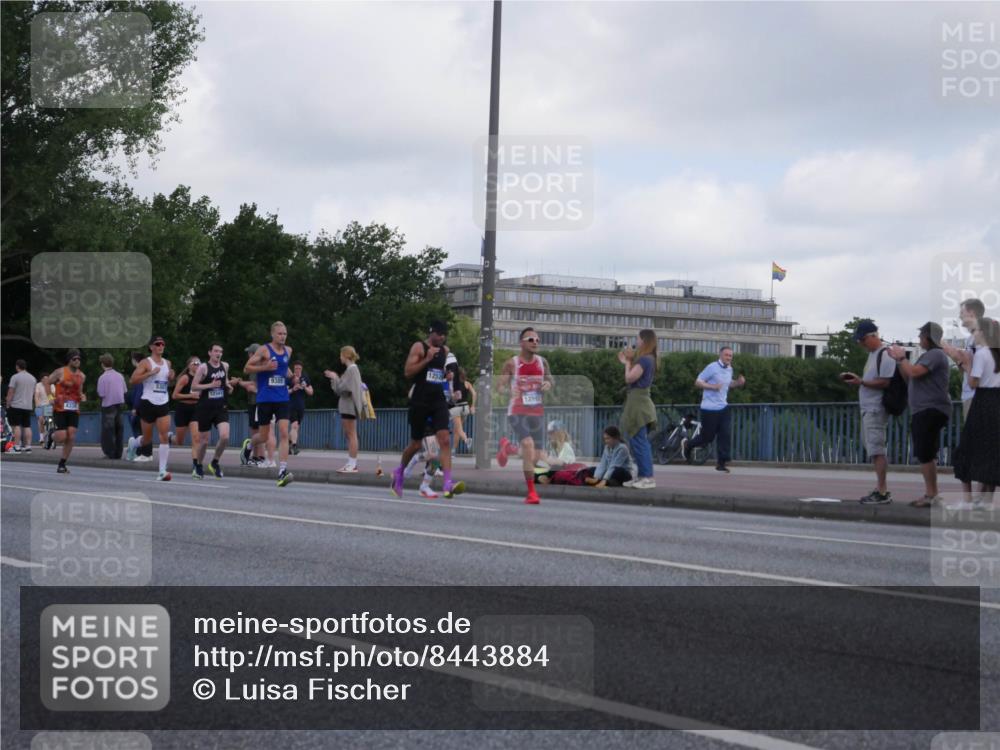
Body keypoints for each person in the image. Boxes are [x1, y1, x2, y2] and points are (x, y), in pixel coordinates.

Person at [390, 320, 465, 499]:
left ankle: (448, 483)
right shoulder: (419, 347)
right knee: (415, 444)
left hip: (437, 401)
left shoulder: (444, 350)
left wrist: (445, 376)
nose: (442, 338)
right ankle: (400, 472)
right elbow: (408, 372)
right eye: (440, 335)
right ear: (432, 333)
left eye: (444, 335)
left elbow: (435, 373)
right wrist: (427, 359)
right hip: (420, 401)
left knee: (445, 440)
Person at [887, 323, 951, 507]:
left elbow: (914, 372)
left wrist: (902, 357)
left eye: (921, 336)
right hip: (924, 409)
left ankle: (931, 495)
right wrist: (899, 361)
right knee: (926, 452)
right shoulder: (928, 355)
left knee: (925, 452)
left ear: (928, 337)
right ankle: (932, 494)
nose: (919, 339)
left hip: (930, 408)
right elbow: (909, 377)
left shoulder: (935, 354)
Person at [840, 319, 896, 504]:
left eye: (862, 339)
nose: (861, 343)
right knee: (873, 449)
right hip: (868, 408)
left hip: (875, 408)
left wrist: (861, 382)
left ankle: (883, 491)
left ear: (873, 336)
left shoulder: (885, 354)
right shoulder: (873, 355)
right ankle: (880, 488)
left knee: (877, 450)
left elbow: (885, 382)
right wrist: (858, 380)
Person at [496, 326, 554, 505]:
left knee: (537, 456)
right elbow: (500, 386)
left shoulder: (542, 362)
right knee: (528, 445)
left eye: (537, 340)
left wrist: (548, 384)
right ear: (521, 343)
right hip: (517, 411)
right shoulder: (512, 363)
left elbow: (550, 379)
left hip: (536, 412)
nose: (535, 343)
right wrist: (508, 391)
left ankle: (509, 448)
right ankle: (531, 493)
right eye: (531, 340)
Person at [951, 317, 1000, 508]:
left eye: (976, 331)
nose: (974, 334)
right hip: (997, 401)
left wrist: (965, 364)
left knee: (967, 449)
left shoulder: (982, 354)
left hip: (983, 401)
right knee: (991, 450)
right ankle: (986, 500)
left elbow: (973, 382)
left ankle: (968, 500)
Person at [943, 298, 985, 503]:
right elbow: (968, 366)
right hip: (972, 395)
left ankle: (976, 499)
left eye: (962, 312)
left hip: (977, 396)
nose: (959, 316)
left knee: (973, 447)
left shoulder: (981, 337)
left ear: (972, 313)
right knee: (978, 446)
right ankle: (979, 498)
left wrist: (946, 347)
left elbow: (978, 369)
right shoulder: (973, 338)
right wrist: (961, 361)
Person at [242, 321, 294, 487]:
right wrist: (265, 367)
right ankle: (249, 445)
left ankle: (282, 471)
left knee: (284, 432)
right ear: (272, 334)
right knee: (264, 437)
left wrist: (292, 376)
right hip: (265, 398)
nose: (282, 336)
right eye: (279, 334)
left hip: (282, 398)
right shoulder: (264, 350)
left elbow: (283, 368)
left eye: (284, 334)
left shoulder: (288, 351)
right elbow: (246, 368)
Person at [684, 345, 746, 474]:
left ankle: (721, 463)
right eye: (726, 355)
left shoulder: (730, 369)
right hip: (709, 409)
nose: (729, 357)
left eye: (730, 356)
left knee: (725, 434)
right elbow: (698, 382)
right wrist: (712, 387)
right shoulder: (712, 367)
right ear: (720, 355)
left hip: (723, 407)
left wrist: (738, 383)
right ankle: (688, 445)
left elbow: (728, 384)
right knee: (707, 438)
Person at [126, 335, 174, 481]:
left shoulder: (168, 363)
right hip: (148, 402)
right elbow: (133, 380)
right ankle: (133, 443)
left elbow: (168, 383)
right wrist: (150, 373)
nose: (161, 346)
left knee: (164, 437)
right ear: (151, 347)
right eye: (158, 344)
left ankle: (162, 471)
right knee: (147, 440)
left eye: (163, 344)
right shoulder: (146, 362)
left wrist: (171, 377)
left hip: (163, 402)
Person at [191, 343, 238, 479]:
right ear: (210, 353)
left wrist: (229, 386)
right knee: (204, 441)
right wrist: (210, 385)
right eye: (216, 351)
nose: (218, 354)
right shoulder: (203, 367)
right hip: (205, 408)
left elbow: (225, 381)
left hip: (220, 407)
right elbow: (194, 386)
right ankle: (199, 465)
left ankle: (215, 462)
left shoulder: (225, 366)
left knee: (225, 436)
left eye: (220, 352)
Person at [619, 329, 658, 489]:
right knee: (637, 442)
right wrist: (629, 361)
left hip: (638, 404)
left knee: (639, 442)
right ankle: (642, 476)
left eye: (638, 339)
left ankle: (647, 477)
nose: (637, 342)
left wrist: (628, 362)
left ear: (644, 340)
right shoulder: (650, 359)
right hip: (641, 402)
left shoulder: (645, 359)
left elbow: (629, 378)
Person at [44, 350, 86, 473]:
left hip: (74, 408)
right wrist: (50, 397)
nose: (77, 361)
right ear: (69, 360)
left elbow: (80, 391)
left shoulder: (82, 376)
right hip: (60, 407)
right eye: (74, 359)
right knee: (62, 436)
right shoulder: (60, 372)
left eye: (79, 359)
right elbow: (47, 382)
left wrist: (82, 396)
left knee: (71, 436)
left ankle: (62, 464)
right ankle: (51, 435)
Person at [324, 346, 364, 473]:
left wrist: (335, 377)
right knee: (350, 434)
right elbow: (343, 388)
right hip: (349, 406)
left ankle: (352, 464)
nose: (340, 357)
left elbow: (343, 389)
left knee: (351, 435)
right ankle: (351, 463)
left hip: (349, 406)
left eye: (341, 355)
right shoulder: (352, 370)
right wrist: (336, 378)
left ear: (346, 355)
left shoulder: (351, 369)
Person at [96, 353, 127, 459]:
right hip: (120, 404)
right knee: (119, 429)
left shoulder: (102, 378)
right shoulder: (120, 376)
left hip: (108, 405)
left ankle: (110, 453)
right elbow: (124, 390)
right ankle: (118, 453)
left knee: (108, 430)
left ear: (102, 364)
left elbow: (101, 394)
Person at [171, 356, 202, 458]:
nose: (197, 365)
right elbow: (174, 395)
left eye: (199, 363)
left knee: (196, 438)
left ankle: (196, 463)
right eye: (195, 363)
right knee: (179, 441)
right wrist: (190, 396)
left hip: (196, 409)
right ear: (189, 366)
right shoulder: (185, 378)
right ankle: (170, 438)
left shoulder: (202, 379)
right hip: (183, 409)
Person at [5, 360, 37, 453]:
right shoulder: (33, 378)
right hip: (28, 406)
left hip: (16, 405)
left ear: (17, 366)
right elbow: (33, 392)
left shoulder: (15, 377)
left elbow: (11, 391)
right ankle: (28, 447)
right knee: (27, 426)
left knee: (16, 426)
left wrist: (8, 403)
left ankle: (16, 446)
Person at [288, 361, 313, 455]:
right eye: (296, 369)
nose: (297, 370)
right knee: (294, 425)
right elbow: (283, 392)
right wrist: (293, 389)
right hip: (290, 405)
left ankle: (288, 444)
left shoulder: (305, 378)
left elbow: (311, 392)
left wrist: (305, 387)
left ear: (301, 369)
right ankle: (294, 446)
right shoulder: (289, 378)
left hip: (301, 406)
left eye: (299, 368)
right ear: (293, 369)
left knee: (295, 428)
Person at [450, 366, 476, 451]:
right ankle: (453, 450)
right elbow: (474, 394)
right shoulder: (467, 383)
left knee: (459, 429)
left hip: (456, 408)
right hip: (466, 408)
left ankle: (466, 440)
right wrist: (473, 406)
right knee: (457, 430)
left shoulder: (453, 384)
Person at [124, 352, 145, 453]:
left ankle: (138, 451)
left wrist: (135, 408)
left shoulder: (138, 373)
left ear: (134, 360)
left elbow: (138, 392)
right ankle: (143, 451)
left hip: (139, 407)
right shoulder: (147, 371)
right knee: (144, 431)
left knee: (137, 430)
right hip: (147, 405)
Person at [34, 371, 51, 444]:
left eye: (47, 379)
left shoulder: (51, 385)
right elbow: (36, 396)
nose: (46, 380)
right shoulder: (38, 385)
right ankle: (41, 437)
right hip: (39, 405)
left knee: (48, 421)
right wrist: (37, 405)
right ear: (41, 379)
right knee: (40, 420)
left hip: (48, 406)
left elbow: (52, 396)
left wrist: (51, 403)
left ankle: (48, 433)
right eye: (44, 379)